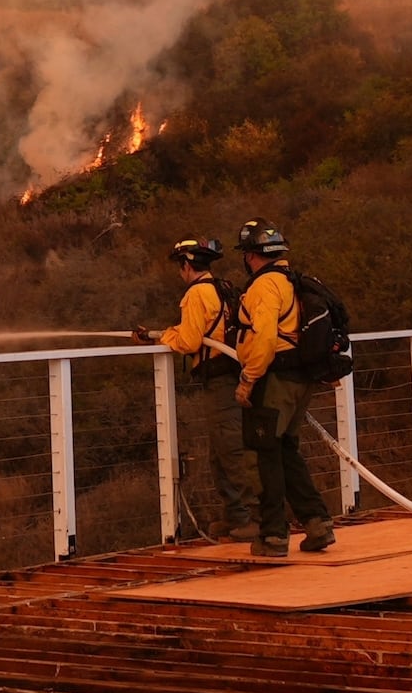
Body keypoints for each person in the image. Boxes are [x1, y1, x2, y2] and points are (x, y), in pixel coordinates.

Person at [227, 220, 341, 558]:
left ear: (250, 255)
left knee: (263, 455)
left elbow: (262, 339)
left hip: (273, 380)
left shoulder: (264, 287)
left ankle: (273, 536)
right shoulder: (294, 281)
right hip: (299, 380)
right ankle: (317, 524)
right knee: (287, 452)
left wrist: (248, 380)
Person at [135, 238, 253, 543]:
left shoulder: (195, 295)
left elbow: (189, 341)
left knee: (229, 448)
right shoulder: (224, 288)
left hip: (220, 380)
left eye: (180, 267)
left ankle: (250, 518)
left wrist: (160, 338)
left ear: (187, 266)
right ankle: (235, 515)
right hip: (235, 375)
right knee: (221, 449)